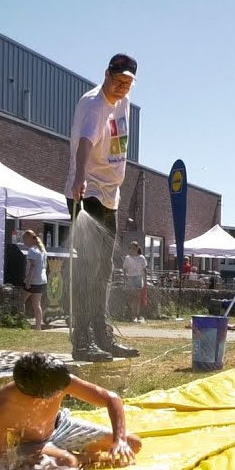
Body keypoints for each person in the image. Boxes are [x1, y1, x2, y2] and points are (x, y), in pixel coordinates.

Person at [65, 53, 141, 362]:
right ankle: (82, 341)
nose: (123, 87)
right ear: (106, 74)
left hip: (111, 196)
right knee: (89, 268)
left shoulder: (123, 102)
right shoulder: (95, 105)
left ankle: (101, 334)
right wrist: (80, 178)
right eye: (118, 80)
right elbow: (84, 143)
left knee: (105, 270)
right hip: (88, 192)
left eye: (128, 83)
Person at [0, 352, 142, 470]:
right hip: (28, 445)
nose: (64, 389)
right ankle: (80, 458)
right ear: (39, 395)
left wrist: (119, 439)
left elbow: (111, 399)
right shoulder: (1, 409)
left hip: (60, 426)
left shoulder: (58, 380)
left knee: (132, 444)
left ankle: (76, 457)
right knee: (68, 463)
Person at [22, 230, 47, 331]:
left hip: (34, 280)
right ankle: (38, 327)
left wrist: (28, 281)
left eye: (24, 240)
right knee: (37, 305)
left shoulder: (32, 250)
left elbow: (33, 266)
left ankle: (20, 322)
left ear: (29, 239)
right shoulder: (42, 250)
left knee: (21, 301)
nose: (24, 242)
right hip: (42, 280)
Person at [123, 241, 148, 323]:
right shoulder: (127, 258)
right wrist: (124, 280)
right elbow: (125, 269)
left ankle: (137, 315)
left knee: (137, 297)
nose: (131, 250)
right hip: (130, 277)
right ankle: (132, 314)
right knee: (131, 297)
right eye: (130, 248)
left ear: (137, 248)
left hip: (138, 277)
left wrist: (145, 281)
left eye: (133, 248)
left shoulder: (141, 258)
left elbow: (144, 270)